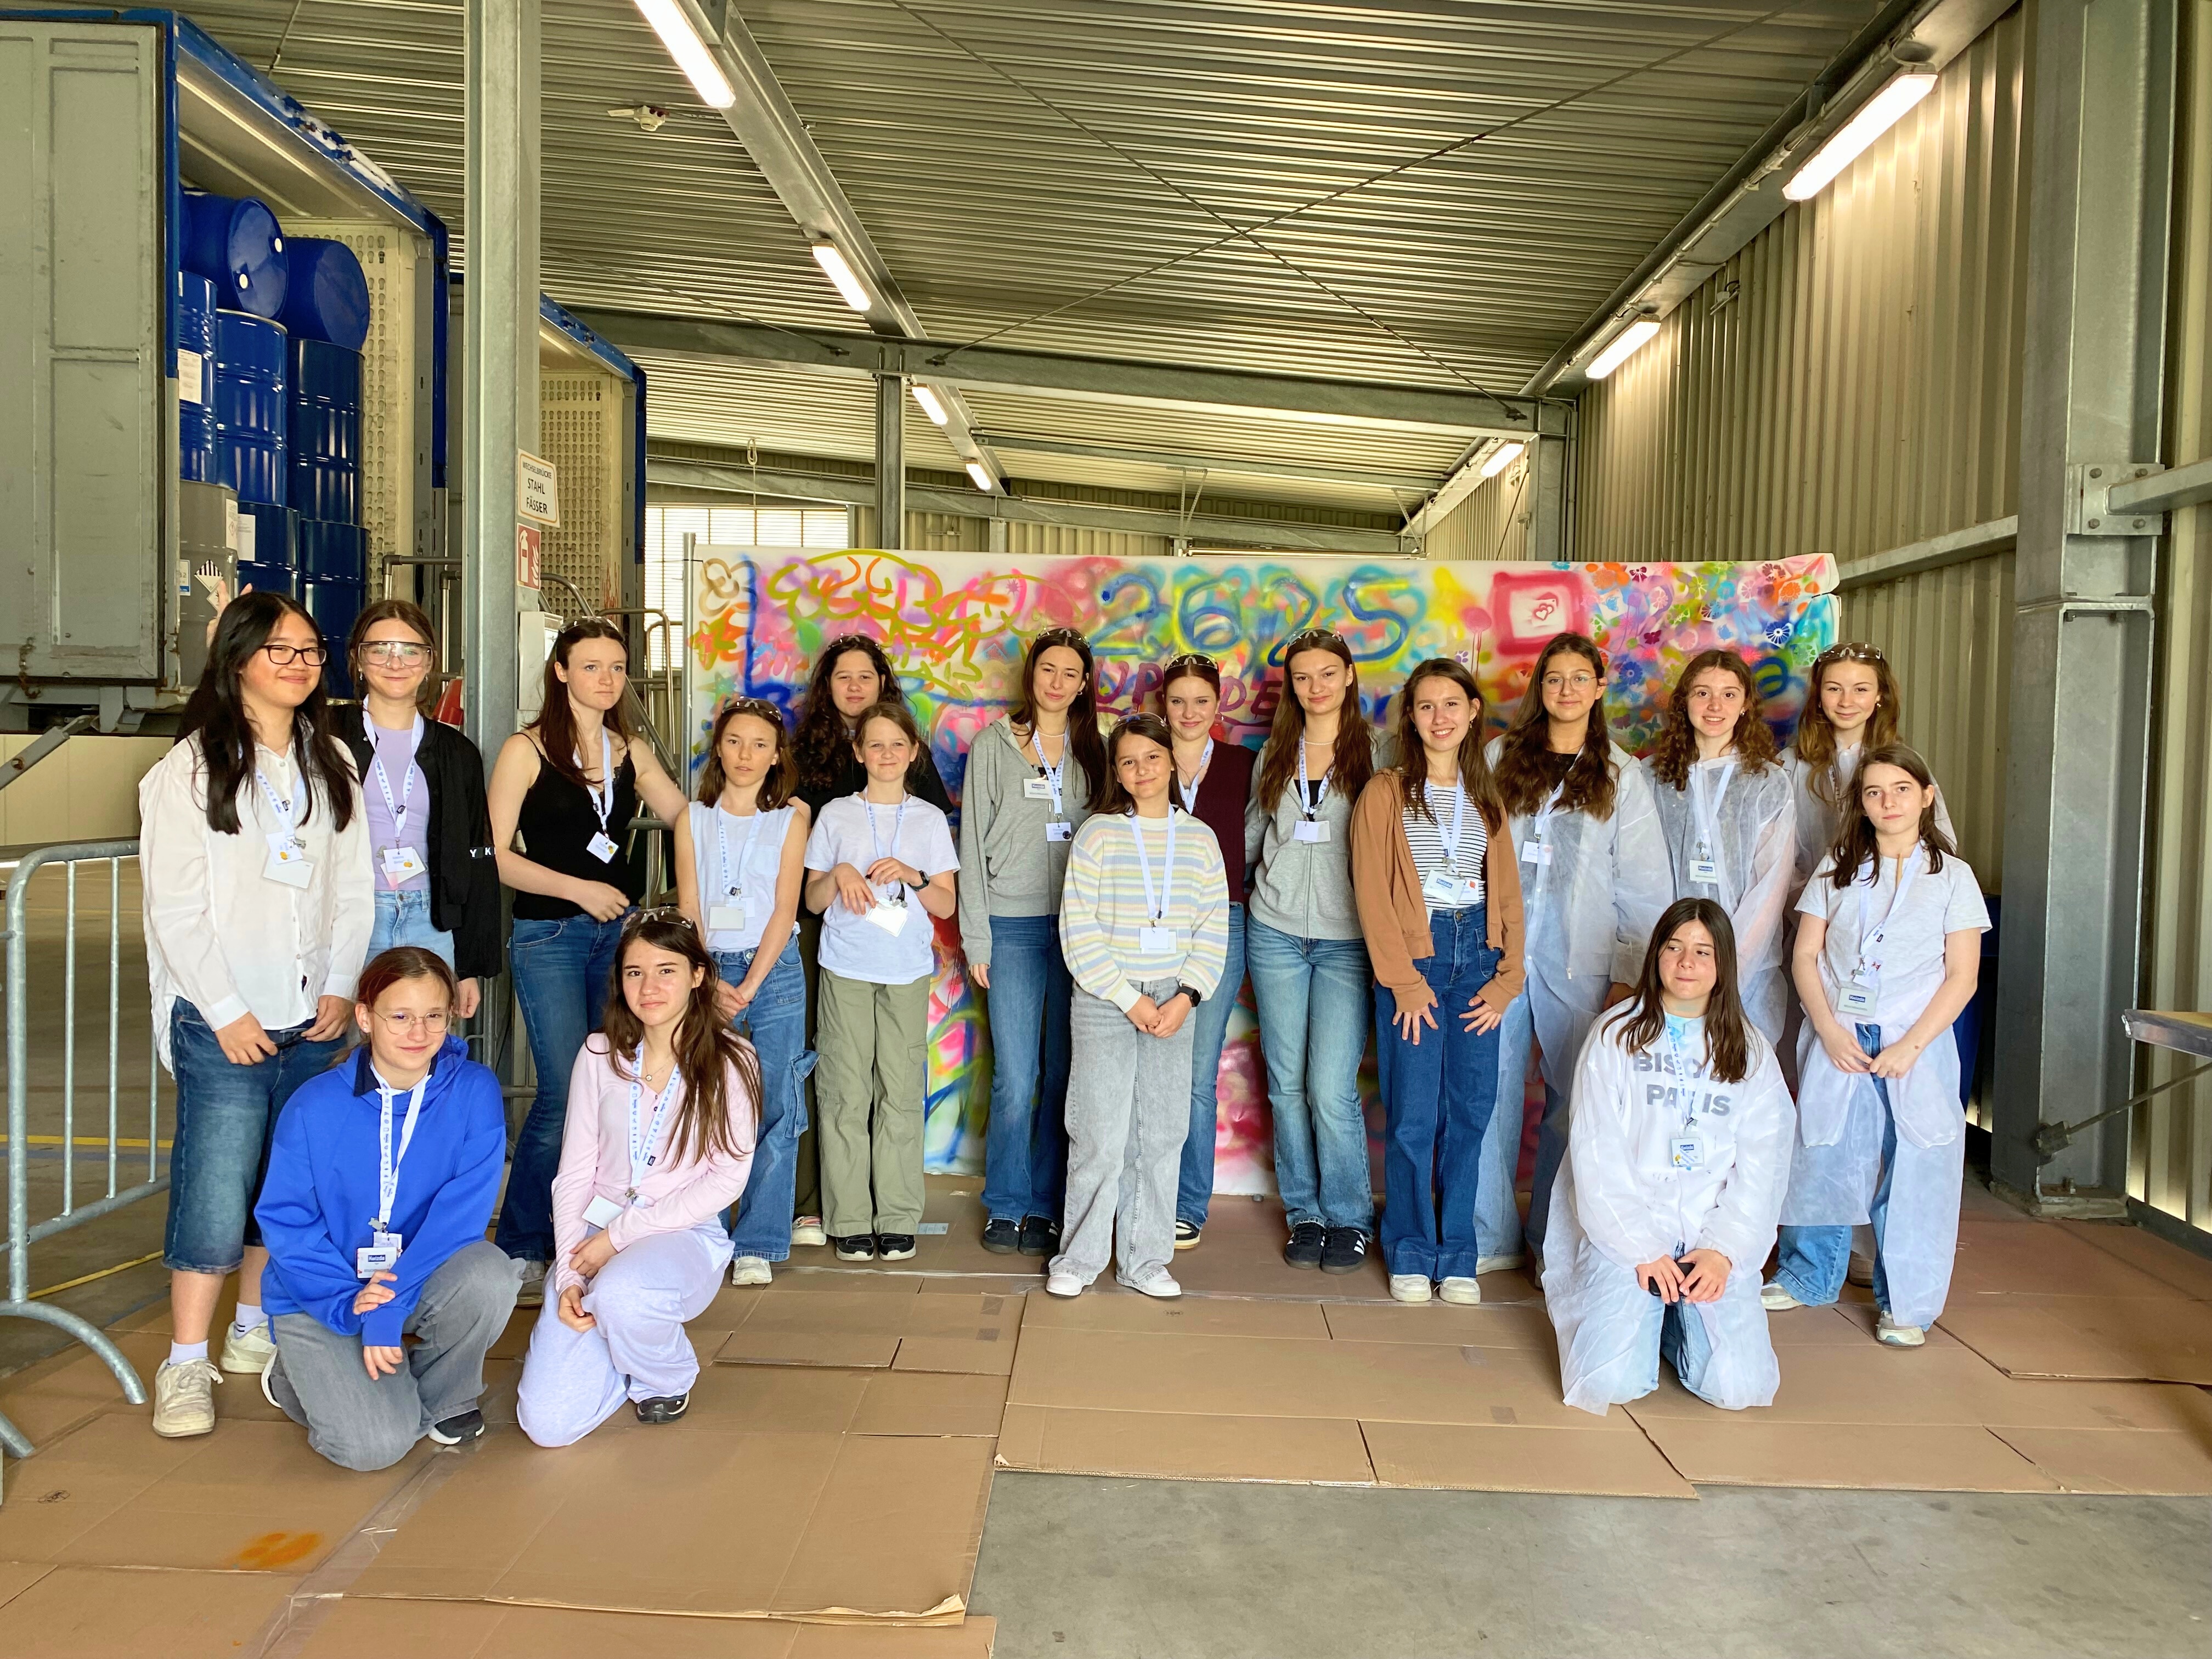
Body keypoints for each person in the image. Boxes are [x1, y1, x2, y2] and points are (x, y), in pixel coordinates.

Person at [139, 592, 374, 1438]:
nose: (301, 664)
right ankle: (184, 1362)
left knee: (282, 1186)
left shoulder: (331, 759)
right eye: (281, 650)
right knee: (215, 1190)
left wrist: (341, 985)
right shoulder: (188, 771)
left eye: (310, 650)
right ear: (237, 660)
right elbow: (176, 910)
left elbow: (354, 887)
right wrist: (227, 1012)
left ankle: (251, 1329)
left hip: (310, 1018)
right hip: (223, 1022)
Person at [487, 618, 689, 1306]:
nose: (607, 679)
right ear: (562, 671)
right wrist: (579, 889)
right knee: (561, 1092)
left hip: (619, 940)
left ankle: (590, 1232)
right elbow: (495, 855)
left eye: (617, 667)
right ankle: (522, 1244)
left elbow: (685, 818)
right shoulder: (526, 749)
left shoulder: (631, 750)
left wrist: (760, 820)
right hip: (549, 934)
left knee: (612, 1088)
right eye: (592, 666)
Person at [253, 947, 515, 1469]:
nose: (419, 1032)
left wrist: (388, 1308)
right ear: (365, 1017)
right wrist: (349, 1303)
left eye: (434, 1016)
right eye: (400, 1016)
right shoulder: (314, 1104)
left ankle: (444, 1397)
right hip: (323, 1290)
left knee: (490, 1275)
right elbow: (288, 1223)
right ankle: (294, 1376)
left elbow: (458, 1221)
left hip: (412, 1277)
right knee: (374, 1449)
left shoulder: (474, 1090)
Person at [1765, 744, 1989, 1348]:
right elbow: (1806, 955)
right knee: (1822, 1151)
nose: (1888, 802)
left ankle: (1906, 1303)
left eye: (1901, 789)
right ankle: (1807, 1274)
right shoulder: (1838, 867)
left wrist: (1912, 1046)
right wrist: (1829, 1029)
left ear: (1927, 797)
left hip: (1914, 1040)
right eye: (1874, 792)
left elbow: (1962, 975)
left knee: (1915, 1164)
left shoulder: (1953, 878)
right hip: (1841, 1032)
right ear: (1860, 804)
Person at [1542, 899, 1793, 1414]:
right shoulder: (1616, 1036)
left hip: (1710, 1231)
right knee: (1608, 1384)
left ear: (1723, 964)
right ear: (1656, 954)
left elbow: (1763, 1169)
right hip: (1631, 1230)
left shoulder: (1750, 1051)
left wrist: (1723, 1251)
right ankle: (1651, 1309)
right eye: (1675, 947)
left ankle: (1674, 1319)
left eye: (1703, 952)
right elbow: (1596, 1155)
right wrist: (1640, 1247)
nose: (1686, 963)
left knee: (1738, 1388)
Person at [516, 916, 759, 1442]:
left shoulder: (732, 1061)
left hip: (678, 1234)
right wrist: (569, 1275)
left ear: (698, 975)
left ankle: (665, 1377)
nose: (649, 987)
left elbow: (727, 1180)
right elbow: (574, 1174)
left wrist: (618, 1238)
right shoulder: (598, 1055)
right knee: (547, 1426)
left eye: (666, 970)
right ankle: (621, 1341)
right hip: (593, 1233)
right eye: (634, 973)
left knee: (622, 1294)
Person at [1479, 633, 1671, 1270]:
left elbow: (1643, 886)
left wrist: (1627, 976)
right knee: (1489, 1096)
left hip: (1584, 965)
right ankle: (1490, 1237)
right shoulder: (1502, 757)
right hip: (1501, 956)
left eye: (1579, 678)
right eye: (1555, 678)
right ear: (1541, 687)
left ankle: (1551, 1244)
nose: (1566, 690)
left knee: (1575, 1105)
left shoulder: (1621, 775)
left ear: (1598, 687)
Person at [1349, 659, 1524, 1305]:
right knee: (1414, 1116)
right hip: (1416, 961)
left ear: (1473, 712)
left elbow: (1509, 895)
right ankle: (1411, 1250)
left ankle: (1458, 1255)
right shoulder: (1386, 792)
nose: (1440, 717)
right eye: (1426, 706)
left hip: (1477, 958)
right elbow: (1372, 892)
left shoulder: (1487, 795)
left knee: (1471, 1113)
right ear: (1411, 718)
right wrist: (1403, 981)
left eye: (1452, 704)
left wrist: (1507, 980)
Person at [1049, 714, 1229, 1299]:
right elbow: (1078, 928)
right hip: (1106, 995)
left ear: (1171, 761)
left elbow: (1213, 927)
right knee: (1098, 1131)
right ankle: (1078, 1258)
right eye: (1128, 761)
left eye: (1152, 757)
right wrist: (1129, 999)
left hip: (1175, 997)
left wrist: (1187, 996)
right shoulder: (1099, 834)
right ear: (1117, 773)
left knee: (1162, 1133)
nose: (1142, 769)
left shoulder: (1200, 838)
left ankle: (1144, 1259)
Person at [788, 635, 954, 1245]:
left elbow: (946, 903)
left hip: (906, 971)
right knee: (843, 1093)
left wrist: (913, 876)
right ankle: (850, 1220)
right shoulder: (835, 815)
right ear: (858, 752)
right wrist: (839, 873)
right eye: (875, 745)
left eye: (897, 745)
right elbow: (811, 901)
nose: (886, 754)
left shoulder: (929, 820)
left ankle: (898, 1217)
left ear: (913, 753)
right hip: (844, 968)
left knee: (901, 1093)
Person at [959, 628, 1105, 1258]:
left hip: (1078, 930)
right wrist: (977, 938)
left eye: (1070, 672)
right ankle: (1006, 1202)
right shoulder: (993, 746)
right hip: (1012, 927)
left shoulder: (1096, 750)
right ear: (1032, 674)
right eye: (1048, 669)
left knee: (1064, 1073)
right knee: (1016, 1077)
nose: (1057, 682)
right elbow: (970, 844)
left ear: (1084, 683)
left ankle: (1047, 1202)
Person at [1244, 627, 1386, 1273]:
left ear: (1349, 676)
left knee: (1330, 1088)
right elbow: (1253, 836)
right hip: (1274, 932)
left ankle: (1350, 1217)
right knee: (1285, 1084)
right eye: (1303, 677)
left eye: (1328, 673)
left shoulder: (1378, 753)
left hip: (1346, 940)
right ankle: (1305, 1213)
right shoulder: (1276, 753)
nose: (1316, 686)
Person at [675, 697, 814, 1288]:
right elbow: (688, 907)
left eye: (760, 744)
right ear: (719, 748)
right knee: (708, 1100)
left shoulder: (790, 819)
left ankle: (759, 1240)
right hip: (707, 969)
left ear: (777, 755)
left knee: (776, 1102)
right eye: (734, 741)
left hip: (773, 968)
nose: (745, 755)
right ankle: (704, 1230)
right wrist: (709, 980)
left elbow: (786, 908)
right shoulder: (692, 818)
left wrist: (750, 984)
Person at [334, 599, 503, 1018]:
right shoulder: (324, 735)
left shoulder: (457, 752)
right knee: (346, 1042)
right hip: (348, 917)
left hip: (430, 920)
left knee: (421, 1041)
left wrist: (467, 966)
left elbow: (477, 856)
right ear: (358, 658)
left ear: (429, 662)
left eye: (411, 650)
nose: (396, 662)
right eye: (380, 649)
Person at [1158, 653, 1258, 1250]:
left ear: (1218, 705)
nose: (1189, 712)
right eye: (1178, 701)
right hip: (1149, 926)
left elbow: (1259, 843)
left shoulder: (1244, 766)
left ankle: (1186, 1202)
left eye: (1201, 701)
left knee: (1197, 1071)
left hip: (1223, 922)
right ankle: (1144, 1191)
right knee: (1149, 1061)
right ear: (1163, 705)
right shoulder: (1146, 758)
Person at [1647, 649, 1795, 1043]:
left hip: (1745, 968)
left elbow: (1770, 886)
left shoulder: (1768, 782)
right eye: (1703, 693)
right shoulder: (1651, 778)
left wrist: (1729, 965)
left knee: (1736, 1066)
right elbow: (1638, 877)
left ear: (1746, 705)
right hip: (1668, 962)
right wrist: (1673, 957)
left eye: (1729, 695)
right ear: (1684, 702)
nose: (1715, 706)